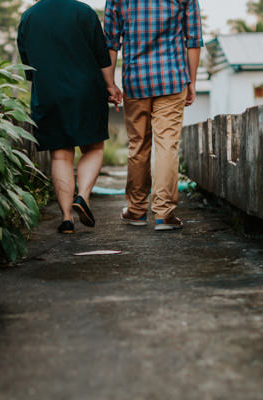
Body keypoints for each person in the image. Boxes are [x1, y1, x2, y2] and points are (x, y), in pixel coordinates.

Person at [17, 0, 122, 234]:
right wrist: (111, 86)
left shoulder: (29, 17)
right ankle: (83, 196)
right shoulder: (84, 12)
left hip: (48, 93)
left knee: (60, 156)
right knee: (92, 147)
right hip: (86, 90)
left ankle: (66, 219)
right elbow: (102, 56)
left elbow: (28, 64)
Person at [104, 0, 203, 231]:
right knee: (167, 145)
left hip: (136, 81)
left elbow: (110, 42)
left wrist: (110, 83)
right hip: (172, 78)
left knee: (138, 145)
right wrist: (192, 81)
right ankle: (164, 214)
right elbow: (194, 40)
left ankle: (137, 211)